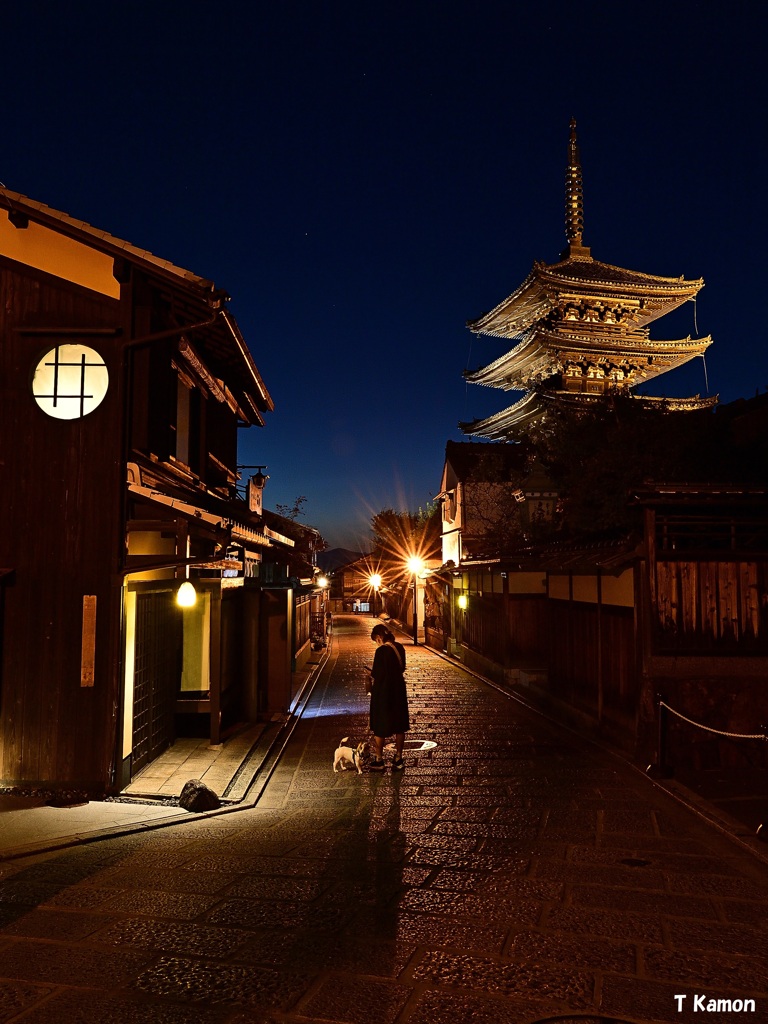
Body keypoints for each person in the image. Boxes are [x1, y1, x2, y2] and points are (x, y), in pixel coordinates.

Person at [367, 623, 409, 771]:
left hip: (383, 691)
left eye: (376, 640)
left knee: (380, 724)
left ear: (379, 637)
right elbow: (402, 667)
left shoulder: (381, 651)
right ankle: (398, 757)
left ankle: (379, 759)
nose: (376, 644)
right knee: (399, 724)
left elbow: (377, 674)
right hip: (398, 689)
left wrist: (369, 676)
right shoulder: (399, 648)